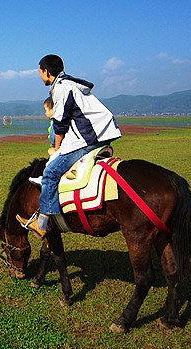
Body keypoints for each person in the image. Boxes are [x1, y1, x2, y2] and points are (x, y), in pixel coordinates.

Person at [17, 54, 122, 238]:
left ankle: (43, 223)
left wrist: (57, 149)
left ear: (46, 72)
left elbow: (60, 122)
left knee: (50, 174)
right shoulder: (70, 84)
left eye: (40, 72)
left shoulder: (62, 88)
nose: (40, 76)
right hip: (99, 134)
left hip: (88, 138)